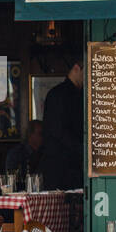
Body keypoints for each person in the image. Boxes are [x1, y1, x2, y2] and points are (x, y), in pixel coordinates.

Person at [41, 52, 84, 190]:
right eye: (88, 71)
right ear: (76, 68)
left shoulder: (81, 95)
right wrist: (83, 150)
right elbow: (58, 131)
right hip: (60, 169)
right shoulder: (58, 95)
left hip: (74, 166)